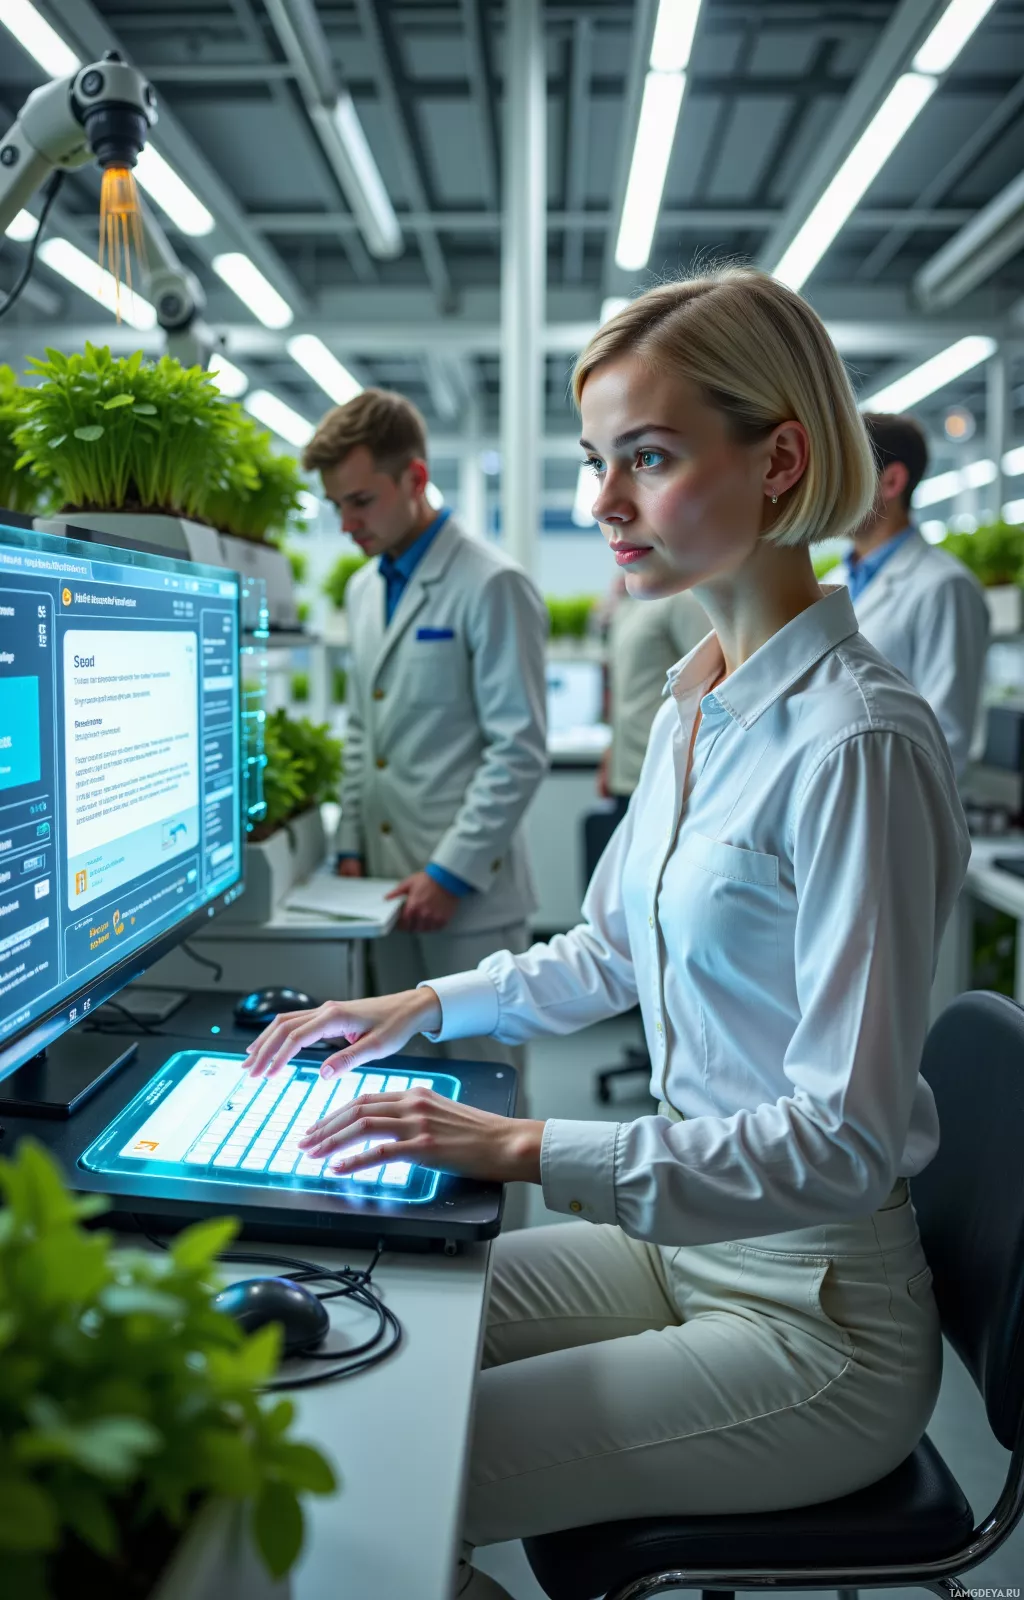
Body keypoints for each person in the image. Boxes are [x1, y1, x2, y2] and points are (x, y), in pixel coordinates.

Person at [252, 267, 969, 1599]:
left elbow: (847, 1137)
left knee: (362, 1489)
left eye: (647, 457)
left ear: (781, 460)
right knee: (366, 1346)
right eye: (598, 460)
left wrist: (520, 1142)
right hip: (680, 1250)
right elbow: (603, 954)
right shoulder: (705, 706)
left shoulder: (854, 740)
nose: (602, 505)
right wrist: (415, 1010)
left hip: (813, 1323)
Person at [301, 388, 549, 1069]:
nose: (348, 522)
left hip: (465, 899)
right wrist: (349, 843)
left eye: (360, 500)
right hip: (379, 890)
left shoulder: (492, 583)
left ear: (414, 479)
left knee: (482, 1092)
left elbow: (519, 750)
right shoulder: (362, 589)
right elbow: (361, 730)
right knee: (397, 1083)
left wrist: (450, 873)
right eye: (336, 505)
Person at [835, 412, 990, 781]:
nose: (827, 487)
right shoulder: (831, 581)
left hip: (893, 810)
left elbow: (947, 737)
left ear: (891, 481)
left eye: (844, 471)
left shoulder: (945, 587)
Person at [599, 578, 708, 820]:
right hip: (627, 776)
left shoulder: (681, 598)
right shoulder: (629, 602)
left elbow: (709, 685)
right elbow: (625, 690)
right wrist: (611, 757)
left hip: (666, 778)